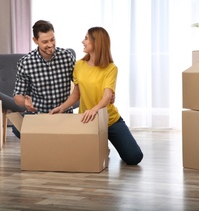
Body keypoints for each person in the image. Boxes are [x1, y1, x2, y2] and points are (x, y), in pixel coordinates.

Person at [50, 27, 143, 165]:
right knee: (83, 158)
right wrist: (62, 107)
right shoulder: (79, 65)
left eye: (86, 38)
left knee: (134, 157)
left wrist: (94, 109)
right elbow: (76, 93)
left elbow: (107, 96)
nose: (83, 41)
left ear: (96, 43)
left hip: (109, 120)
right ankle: (102, 146)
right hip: (87, 121)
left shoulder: (111, 68)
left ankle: (104, 141)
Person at [12, 20, 76, 138]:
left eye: (52, 39)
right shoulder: (26, 62)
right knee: (17, 129)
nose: (50, 45)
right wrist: (25, 103)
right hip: (38, 115)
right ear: (35, 40)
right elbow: (17, 95)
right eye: (45, 42)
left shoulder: (67, 57)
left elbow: (81, 84)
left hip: (63, 114)